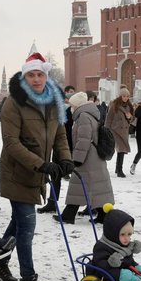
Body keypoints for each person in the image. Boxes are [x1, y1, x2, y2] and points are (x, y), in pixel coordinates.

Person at [0, 53, 73, 281]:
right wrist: (41, 164)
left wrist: (65, 158)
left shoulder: (53, 101)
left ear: (46, 76)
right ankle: (28, 280)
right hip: (18, 173)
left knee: (18, 223)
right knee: (27, 225)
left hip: (38, 173)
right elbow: (11, 142)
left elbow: (60, 135)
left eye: (40, 74)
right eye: (32, 74)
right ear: (24, 77)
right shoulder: (13, 103)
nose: (37, 79)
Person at [58, 92, 114, 224]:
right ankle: (103, 214)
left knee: (78, 184)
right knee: (97, 186)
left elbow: (83, 140)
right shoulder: (90, 114)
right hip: (94, 157)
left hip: (87, 157)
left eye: (72, 105)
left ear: (77, 105)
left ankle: (68, 214)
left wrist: (77, 158)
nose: (70, 107)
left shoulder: (83, 116)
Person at [105, 86, 133, 178]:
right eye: (124, 96)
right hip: (115, 130)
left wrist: (130, 117)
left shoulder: (129, 106)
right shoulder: (114, 105)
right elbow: (108, 118)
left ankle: (118, 169)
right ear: (120, 96)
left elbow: (132, 119)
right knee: (120, 150)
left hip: (124, 131)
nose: (126, 98)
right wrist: (106, 130)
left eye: (127, 96)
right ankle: (119, 170)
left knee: (122, 150)